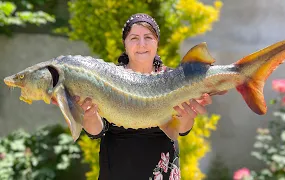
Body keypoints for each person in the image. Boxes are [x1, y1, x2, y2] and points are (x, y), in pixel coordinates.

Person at [74, 13, 217, 180]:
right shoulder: (107, 78)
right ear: (125, 44)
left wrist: (187, 114)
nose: (141, 44)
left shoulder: (175, 79)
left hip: (162, 172)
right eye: (134, 38)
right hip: (118, 172)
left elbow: (181, 130)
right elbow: (96, 132)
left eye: (148, 37)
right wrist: (89, 114)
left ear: (157, 42)